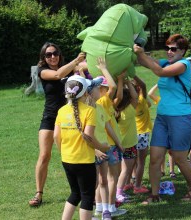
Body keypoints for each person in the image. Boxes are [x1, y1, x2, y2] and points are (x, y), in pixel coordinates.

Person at [134, 34, 191, 203]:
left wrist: (141, 54)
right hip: (162, 117)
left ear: (183, 51)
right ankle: (154, 195)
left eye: (173, 49)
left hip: (181, 117)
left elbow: (160, 71)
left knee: (179, 158)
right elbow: (144, 62)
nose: (169, 52)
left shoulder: (183, 65)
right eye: (167, 48)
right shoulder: (166, 62)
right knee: (155, 157)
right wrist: (135, 51)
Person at [29, 42, 85, 207]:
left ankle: (82, 191)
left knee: (72, 155)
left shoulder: (69, 69)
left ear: (59, 54)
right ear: (44, 58)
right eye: (48, 55)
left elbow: (87, 65)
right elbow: (57, 75)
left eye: (55, 53)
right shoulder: (43, 71)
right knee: (44, 155)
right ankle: (39, 193)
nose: (52, 56)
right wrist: (76, 61)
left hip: (69, 118)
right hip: (50, 117)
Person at [54, 75, 109, 220]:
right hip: (84, 160)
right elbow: (89, 137)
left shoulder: (62, 110)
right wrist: (102, 147)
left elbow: (55, 136)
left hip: (67, 159)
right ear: (85, 93)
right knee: (86, 196)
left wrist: (63, 151)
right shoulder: (90, 111)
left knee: (75, 193)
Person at [95, 64, 127, 217]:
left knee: (102, 179)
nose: (109, 91)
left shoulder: (102, 104)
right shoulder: (102, 102)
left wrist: (120, 79)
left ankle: (100, 208)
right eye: (105, 88)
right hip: (111, 145)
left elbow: (118, 96)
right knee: (111, 178)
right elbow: (113, 88)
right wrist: (103, 68)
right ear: (100, 90)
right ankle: (111, 208)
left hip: (106, 145)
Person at [115, 77, 139, 203]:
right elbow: (136, 97)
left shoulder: (113, 110)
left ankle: (114, 191)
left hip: (115, 145)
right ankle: (119, 192)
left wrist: (119, 83)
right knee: (125, 170)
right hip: (129, 145)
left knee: (115, 171)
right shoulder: (130, 111)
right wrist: (127, 82)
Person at [132, 76, 152, 193]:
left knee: (131, 160)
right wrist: (132, 74)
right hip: (142, 134)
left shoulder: (126, 103)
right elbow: (144, 85)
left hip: (131, 134)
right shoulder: (141, 100)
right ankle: (138, 186)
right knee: (141, 162)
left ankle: (128, 183)